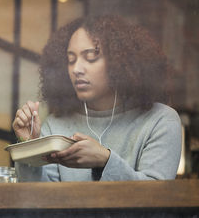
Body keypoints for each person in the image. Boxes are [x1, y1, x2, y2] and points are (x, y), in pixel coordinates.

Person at [12, 15, 182, 181]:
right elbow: (41, 201)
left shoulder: (160, 120)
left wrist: (105, 160)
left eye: (90, 57)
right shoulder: (55, 125)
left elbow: (156, 198)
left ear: (120, 61)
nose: (76, 69)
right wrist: (30, 148)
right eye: (70, 60)